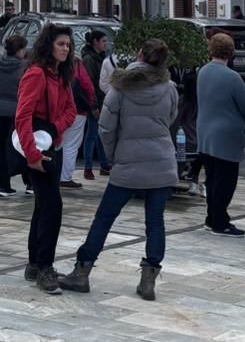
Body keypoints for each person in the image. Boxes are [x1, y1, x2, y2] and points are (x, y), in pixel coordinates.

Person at [58, 39, 179, 301]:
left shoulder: (121, 87)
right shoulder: (169, 87)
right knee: (155, 221)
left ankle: (83, 270)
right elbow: (170, 118)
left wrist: (112, 157)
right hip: (161, 162)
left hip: (128, 162)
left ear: (139, 54)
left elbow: (105, 127)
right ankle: (148, 279)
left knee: (104, 218)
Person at [14, 23, 79, 295]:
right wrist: (32, 154)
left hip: (51, 144)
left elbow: (71, 110)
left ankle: (35, 263)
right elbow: (22, 116)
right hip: (36, 149)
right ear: (49, 45)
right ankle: (44, 266)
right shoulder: (37, 74)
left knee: (44, 205)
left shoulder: (60, 76)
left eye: (68, 45)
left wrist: (55, 130)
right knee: (52, 207)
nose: (65, 49)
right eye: (60, 44)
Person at [197, 32, 245, 237]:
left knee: (212, 179)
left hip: (205, 133)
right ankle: (220, 221)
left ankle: (212, 218)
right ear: (231, 52)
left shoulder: (203, 71)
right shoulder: (233, 77)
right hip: (226, 136)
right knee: (226, 182)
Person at [0, 32, 29, 198]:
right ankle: (29, 182)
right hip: (18, 112)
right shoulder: (24, 68)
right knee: (24, 146)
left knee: (3, 148)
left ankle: (4, 186)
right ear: (19, 50)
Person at [58, 50, 96, 189]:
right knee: (72, 145)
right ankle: (65, 177)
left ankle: (57, 174)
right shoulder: (77, 65)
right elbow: (88, 86)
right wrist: (92, 103)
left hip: (60, 110)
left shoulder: (55, 65)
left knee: (59, 143)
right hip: (78, 110)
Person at [78, 29, 113, 180]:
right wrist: (93, 106)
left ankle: (104, 164)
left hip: (102, 100)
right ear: (95, 42)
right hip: (95, 102)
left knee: (99, 134)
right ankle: (88, 167)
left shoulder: (102, 57)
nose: (106, 44)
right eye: (103, 41)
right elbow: (89, 84)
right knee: (91, 134)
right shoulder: (89, 60)